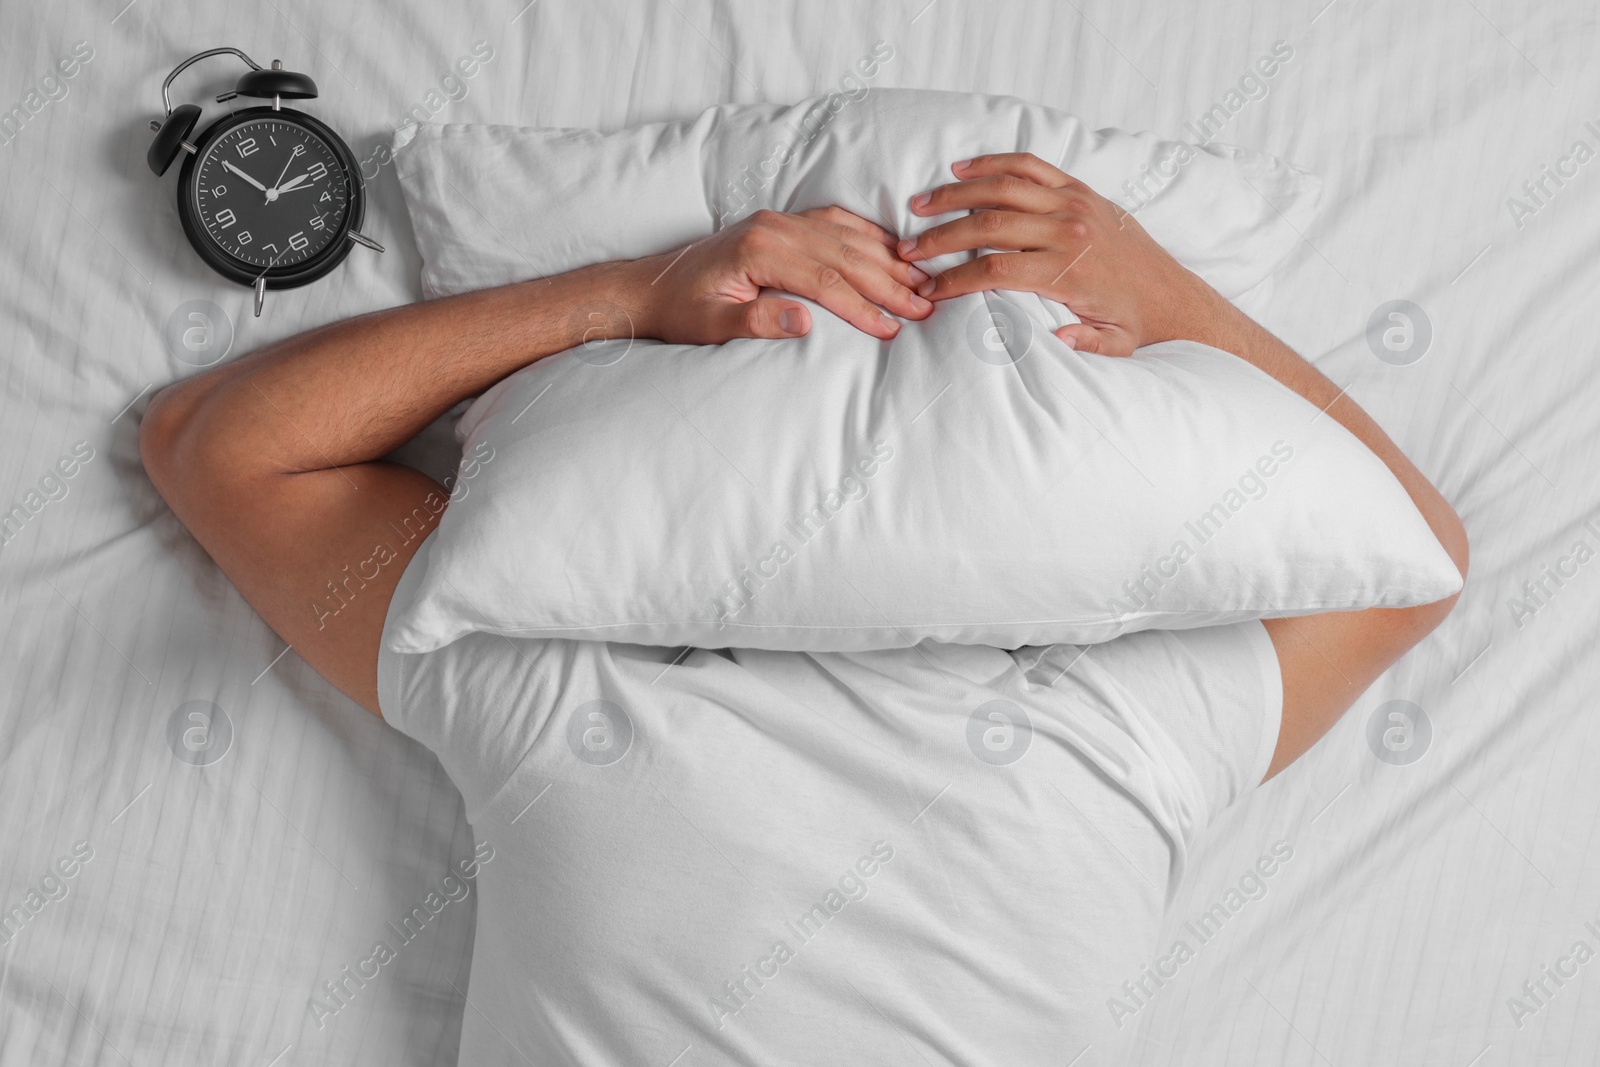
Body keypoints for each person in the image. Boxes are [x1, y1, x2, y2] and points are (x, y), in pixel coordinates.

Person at [140, 153, 1467, 1064]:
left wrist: (632, 296)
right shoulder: (1124, 729)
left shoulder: (566, 689)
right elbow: (1413, 558)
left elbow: (222, 444)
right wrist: (1164, 296)